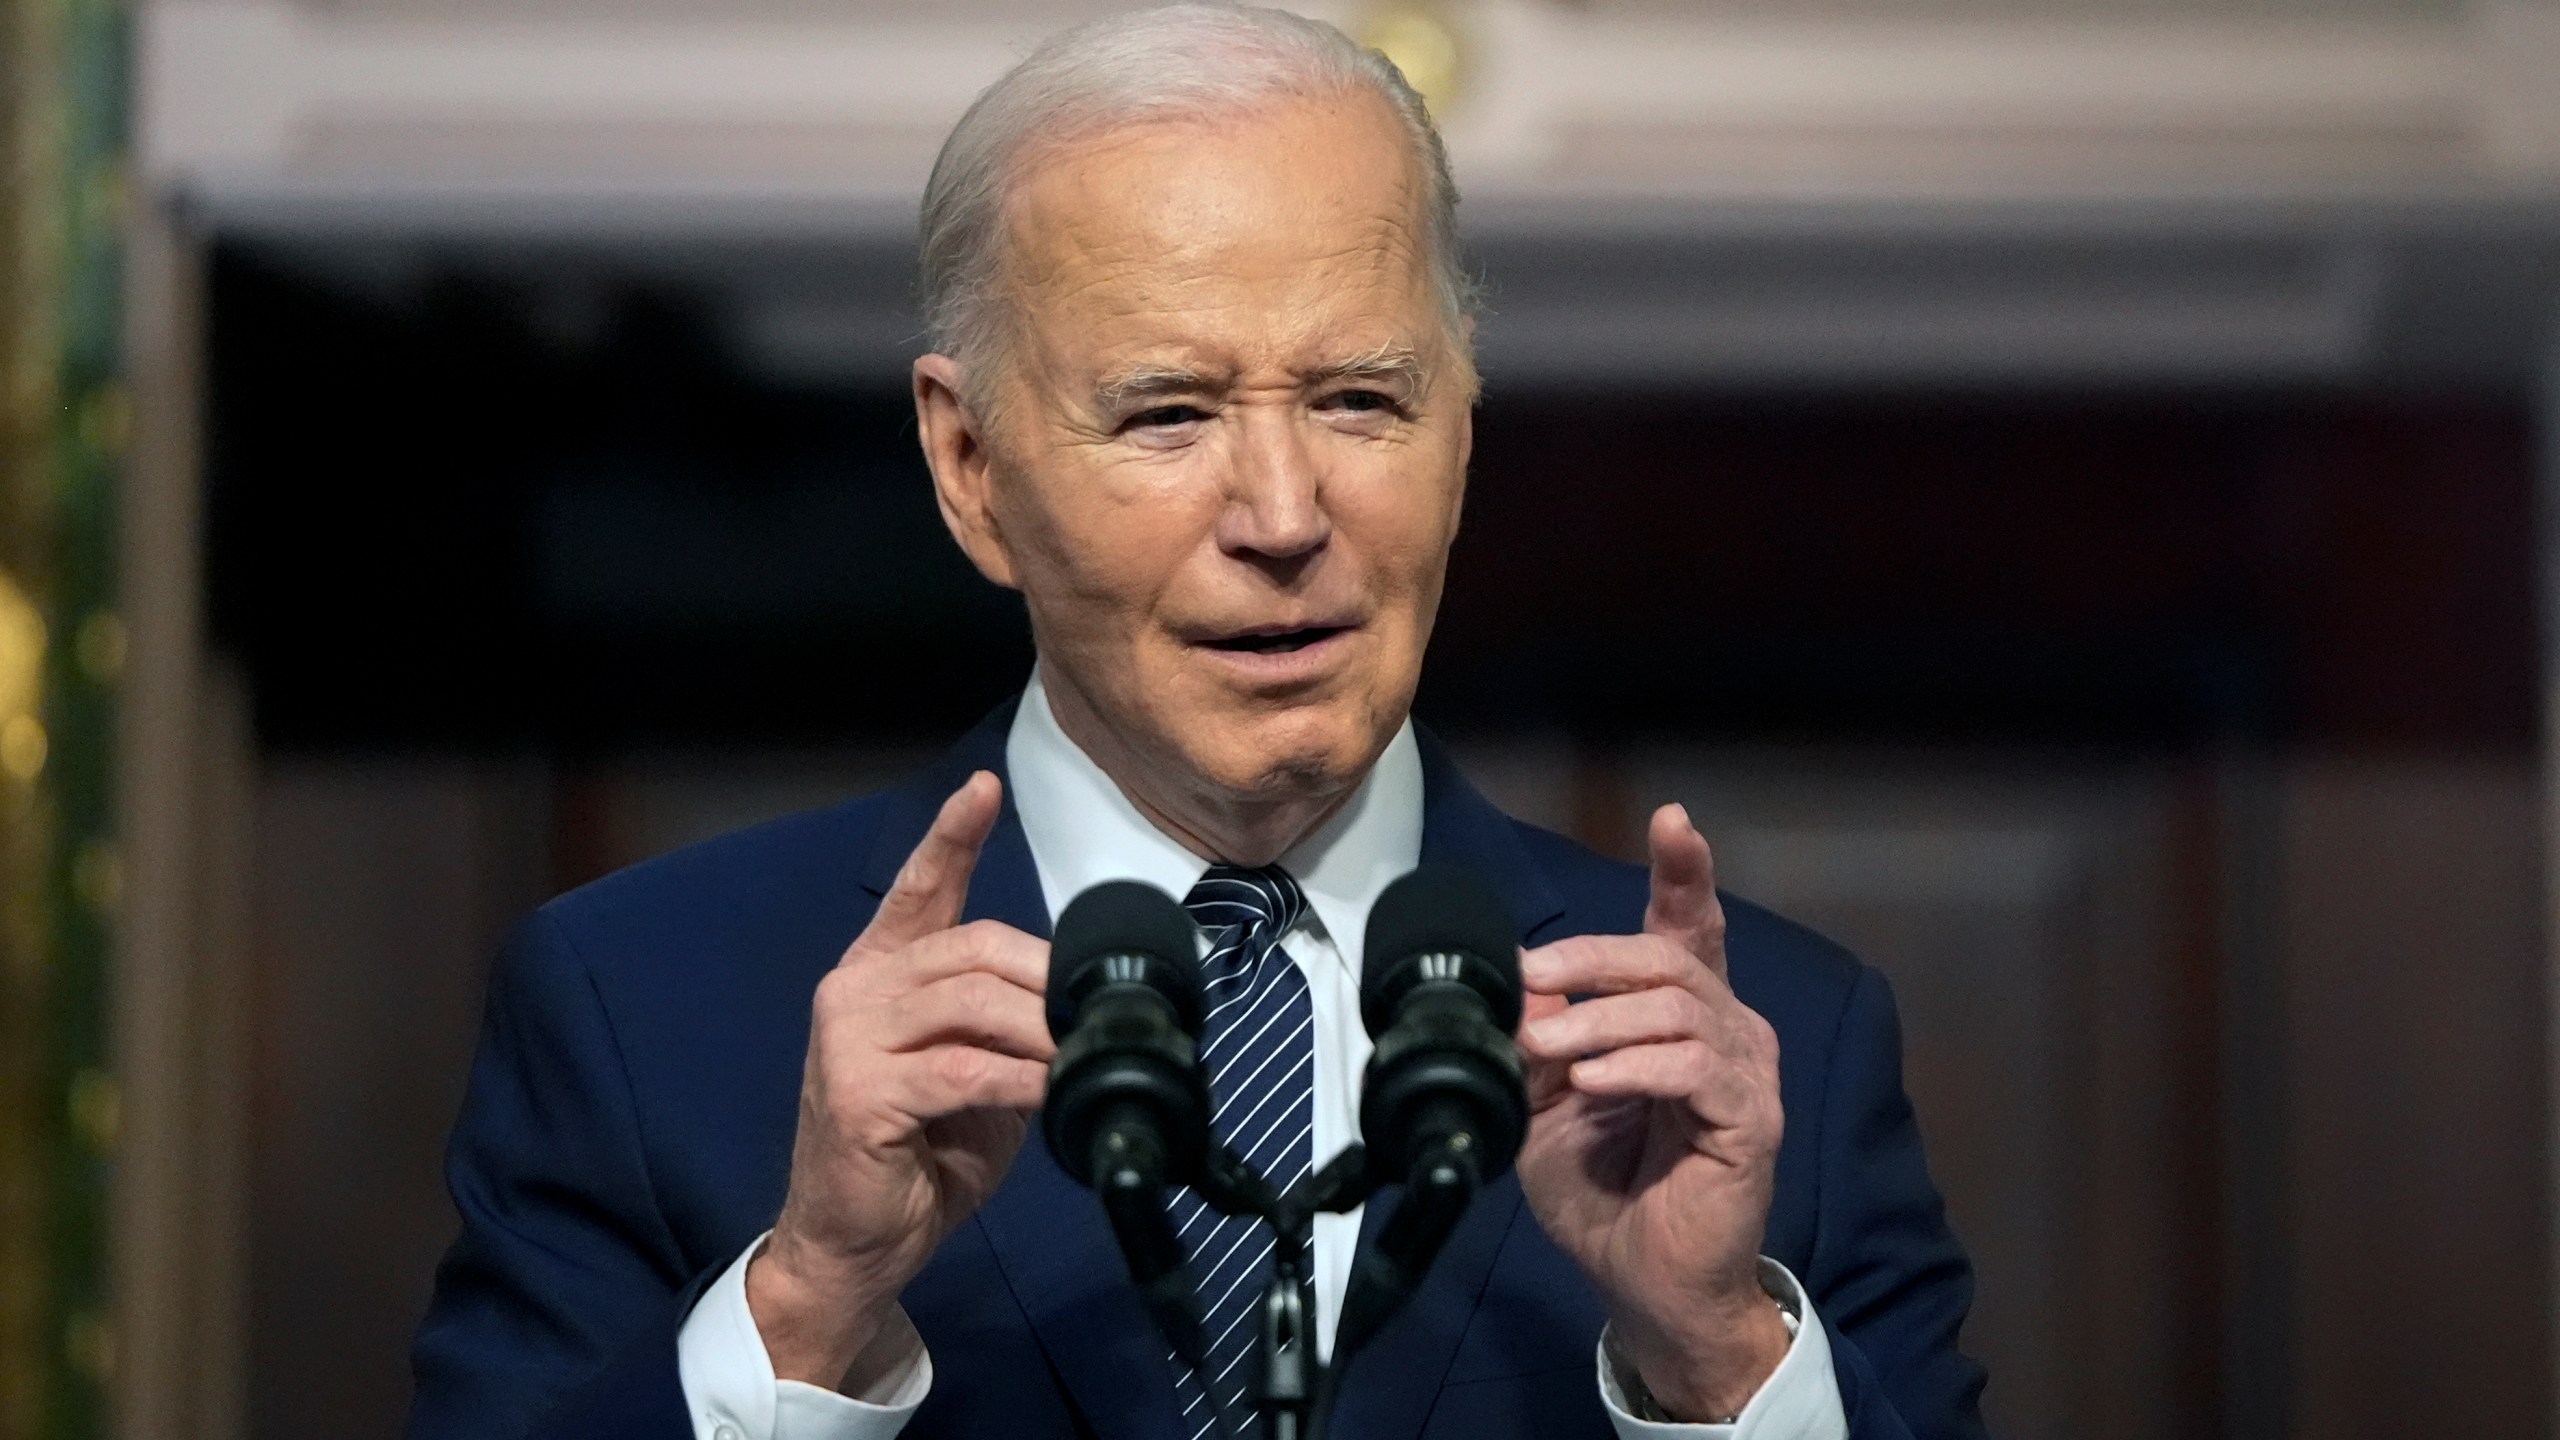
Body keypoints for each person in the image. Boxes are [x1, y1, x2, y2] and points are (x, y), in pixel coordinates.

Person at [406, 7, 1988, 1438]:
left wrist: (1715, 1359)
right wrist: (808, 1307)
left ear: (1461, 432)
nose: (1287, 514)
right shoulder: (644, 1010)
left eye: (1362, 399)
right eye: (1169, 413)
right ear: (970, 470)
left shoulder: (1771, 1048)